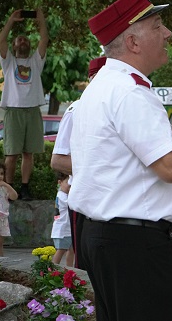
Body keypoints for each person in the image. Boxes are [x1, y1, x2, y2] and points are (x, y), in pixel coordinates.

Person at [68, 0, 172, 321]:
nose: (167, 33)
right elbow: (171, 167)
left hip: (110, 237)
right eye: (157, 26)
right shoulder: (129, 91)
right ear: (133, 42)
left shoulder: (106, 86)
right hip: (132, 244)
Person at [50, 56, 107, 270]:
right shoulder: (77, 110)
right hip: (85, 199)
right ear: (92, 78)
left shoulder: (118, 107)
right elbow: (58, 160)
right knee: (85, 263)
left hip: (114, 200)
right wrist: (99, 171)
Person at [0, 8, 49, 200]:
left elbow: (44, 39)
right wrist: (11, 20)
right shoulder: (8, 62)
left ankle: (25, 188)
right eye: (19, 39)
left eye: (26, 39)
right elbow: (0, 41)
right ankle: (8, 189)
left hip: (32, 110)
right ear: (14, 45)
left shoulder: (36, 61)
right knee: (11, 155)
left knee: (29, 153)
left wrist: (41, 19)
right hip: (13, 111)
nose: (23, 41)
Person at [51, 171, 74, 266]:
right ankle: (51, 269)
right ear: (59, 182)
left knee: (71, 250)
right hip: (62, 230)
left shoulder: (63, 195)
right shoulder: (61, 196)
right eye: (68, 183)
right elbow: (71, 203)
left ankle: (70, 268)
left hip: (67, 229)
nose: (70, 186)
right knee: (61, 250)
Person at [0, 161, 18, 256]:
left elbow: (14, 196)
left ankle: (0, 265)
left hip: (2, 219)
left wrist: (6, 185)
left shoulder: (4, 188)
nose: (0, 176)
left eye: (1, 174)